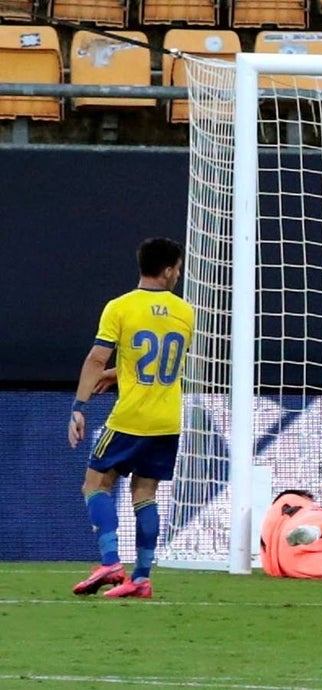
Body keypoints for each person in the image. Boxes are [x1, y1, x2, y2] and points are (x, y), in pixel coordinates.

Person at [68, 237, 194, 599]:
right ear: (169, 270)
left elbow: (96, 359)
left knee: (95, 484)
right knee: (145, 494)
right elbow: (156, 361)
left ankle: (110, 562)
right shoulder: (186, 312)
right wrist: (119, 373)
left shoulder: (120, 307)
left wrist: (79, 406)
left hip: (130, 417)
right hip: (167, 419)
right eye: (178, 269)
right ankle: (140, 578)